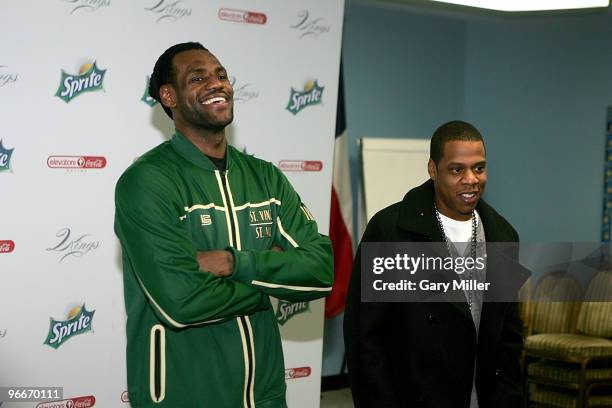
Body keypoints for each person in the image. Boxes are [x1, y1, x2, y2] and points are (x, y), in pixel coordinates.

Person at [114, 42, 333, 408]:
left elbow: (322, 270)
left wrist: (235, 264)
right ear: (168, 96)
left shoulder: (265, 177)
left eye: (220, 75)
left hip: (264, 395)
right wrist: (272, 283)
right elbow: (180, 301)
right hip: (184, 395)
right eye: (197, 78)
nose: (217, 84)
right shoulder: (147, 182)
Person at [344, 121, 525, 408]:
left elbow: (509, 336)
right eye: (457, 170)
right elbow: (364, 337)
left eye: (479, 168)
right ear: (432, 170)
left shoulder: (503, 235)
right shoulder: (391, 231)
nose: (471, 179)